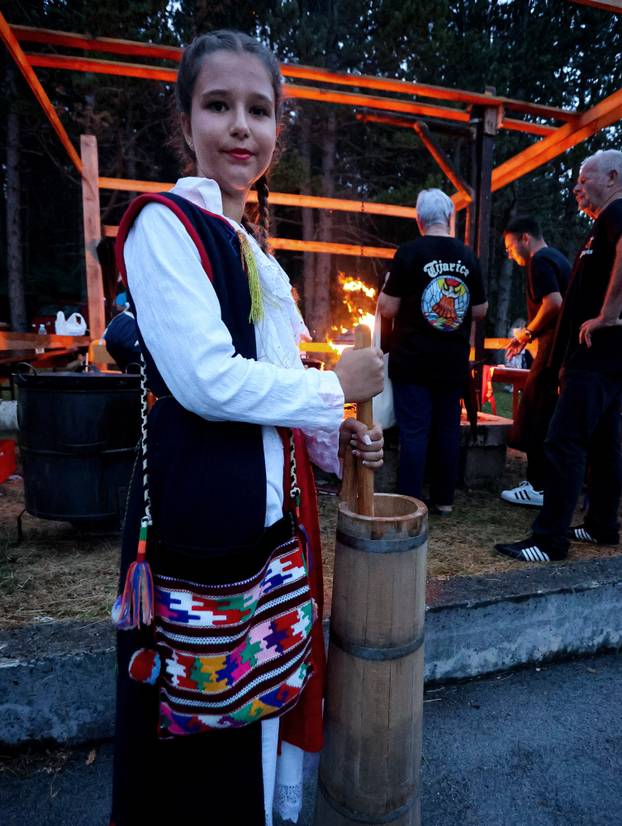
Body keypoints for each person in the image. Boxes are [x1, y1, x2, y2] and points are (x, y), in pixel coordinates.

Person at [110, 30, 384, 826]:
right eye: (218, 106)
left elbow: (279, 389)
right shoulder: (164, 226)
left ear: (277, 131)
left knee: (253, 718)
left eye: (259, 111)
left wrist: (337, 437)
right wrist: (335, 387)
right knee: (197, 739)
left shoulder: (257, 256)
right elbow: (207, 380)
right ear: (185, 121)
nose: (240, 126)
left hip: (266, 530)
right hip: (200, 523)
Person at [496, 149, 622, 563]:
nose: (577, 188)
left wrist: (608, 314)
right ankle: (602, 524)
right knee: (604, 443)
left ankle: (549, 541)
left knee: (564, 440)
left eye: (585, 180)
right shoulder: (602, 224)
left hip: (594, 354)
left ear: (612, 177)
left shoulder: (618, 212)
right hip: (603, 357)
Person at [378, 188, 487, 515]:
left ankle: (409, 503)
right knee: (447, 431)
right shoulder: (468, 256)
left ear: (419, 220)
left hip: (412, 360)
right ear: (450, 218)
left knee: (414, 432)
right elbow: (480, 310)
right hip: (452, 362)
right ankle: (444, 500)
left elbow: (388, 308)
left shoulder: (409, 253)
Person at [499, 216, 570, 507]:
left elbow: (554, 302)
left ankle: (539, 487)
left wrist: (527, 332)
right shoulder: (558, 258)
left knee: (536, 414)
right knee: (545, 414)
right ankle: (544, 483)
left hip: (553, 351)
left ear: (525, 238)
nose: (509, 254)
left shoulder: (539, 261)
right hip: (561, 351)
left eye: (510, 247)